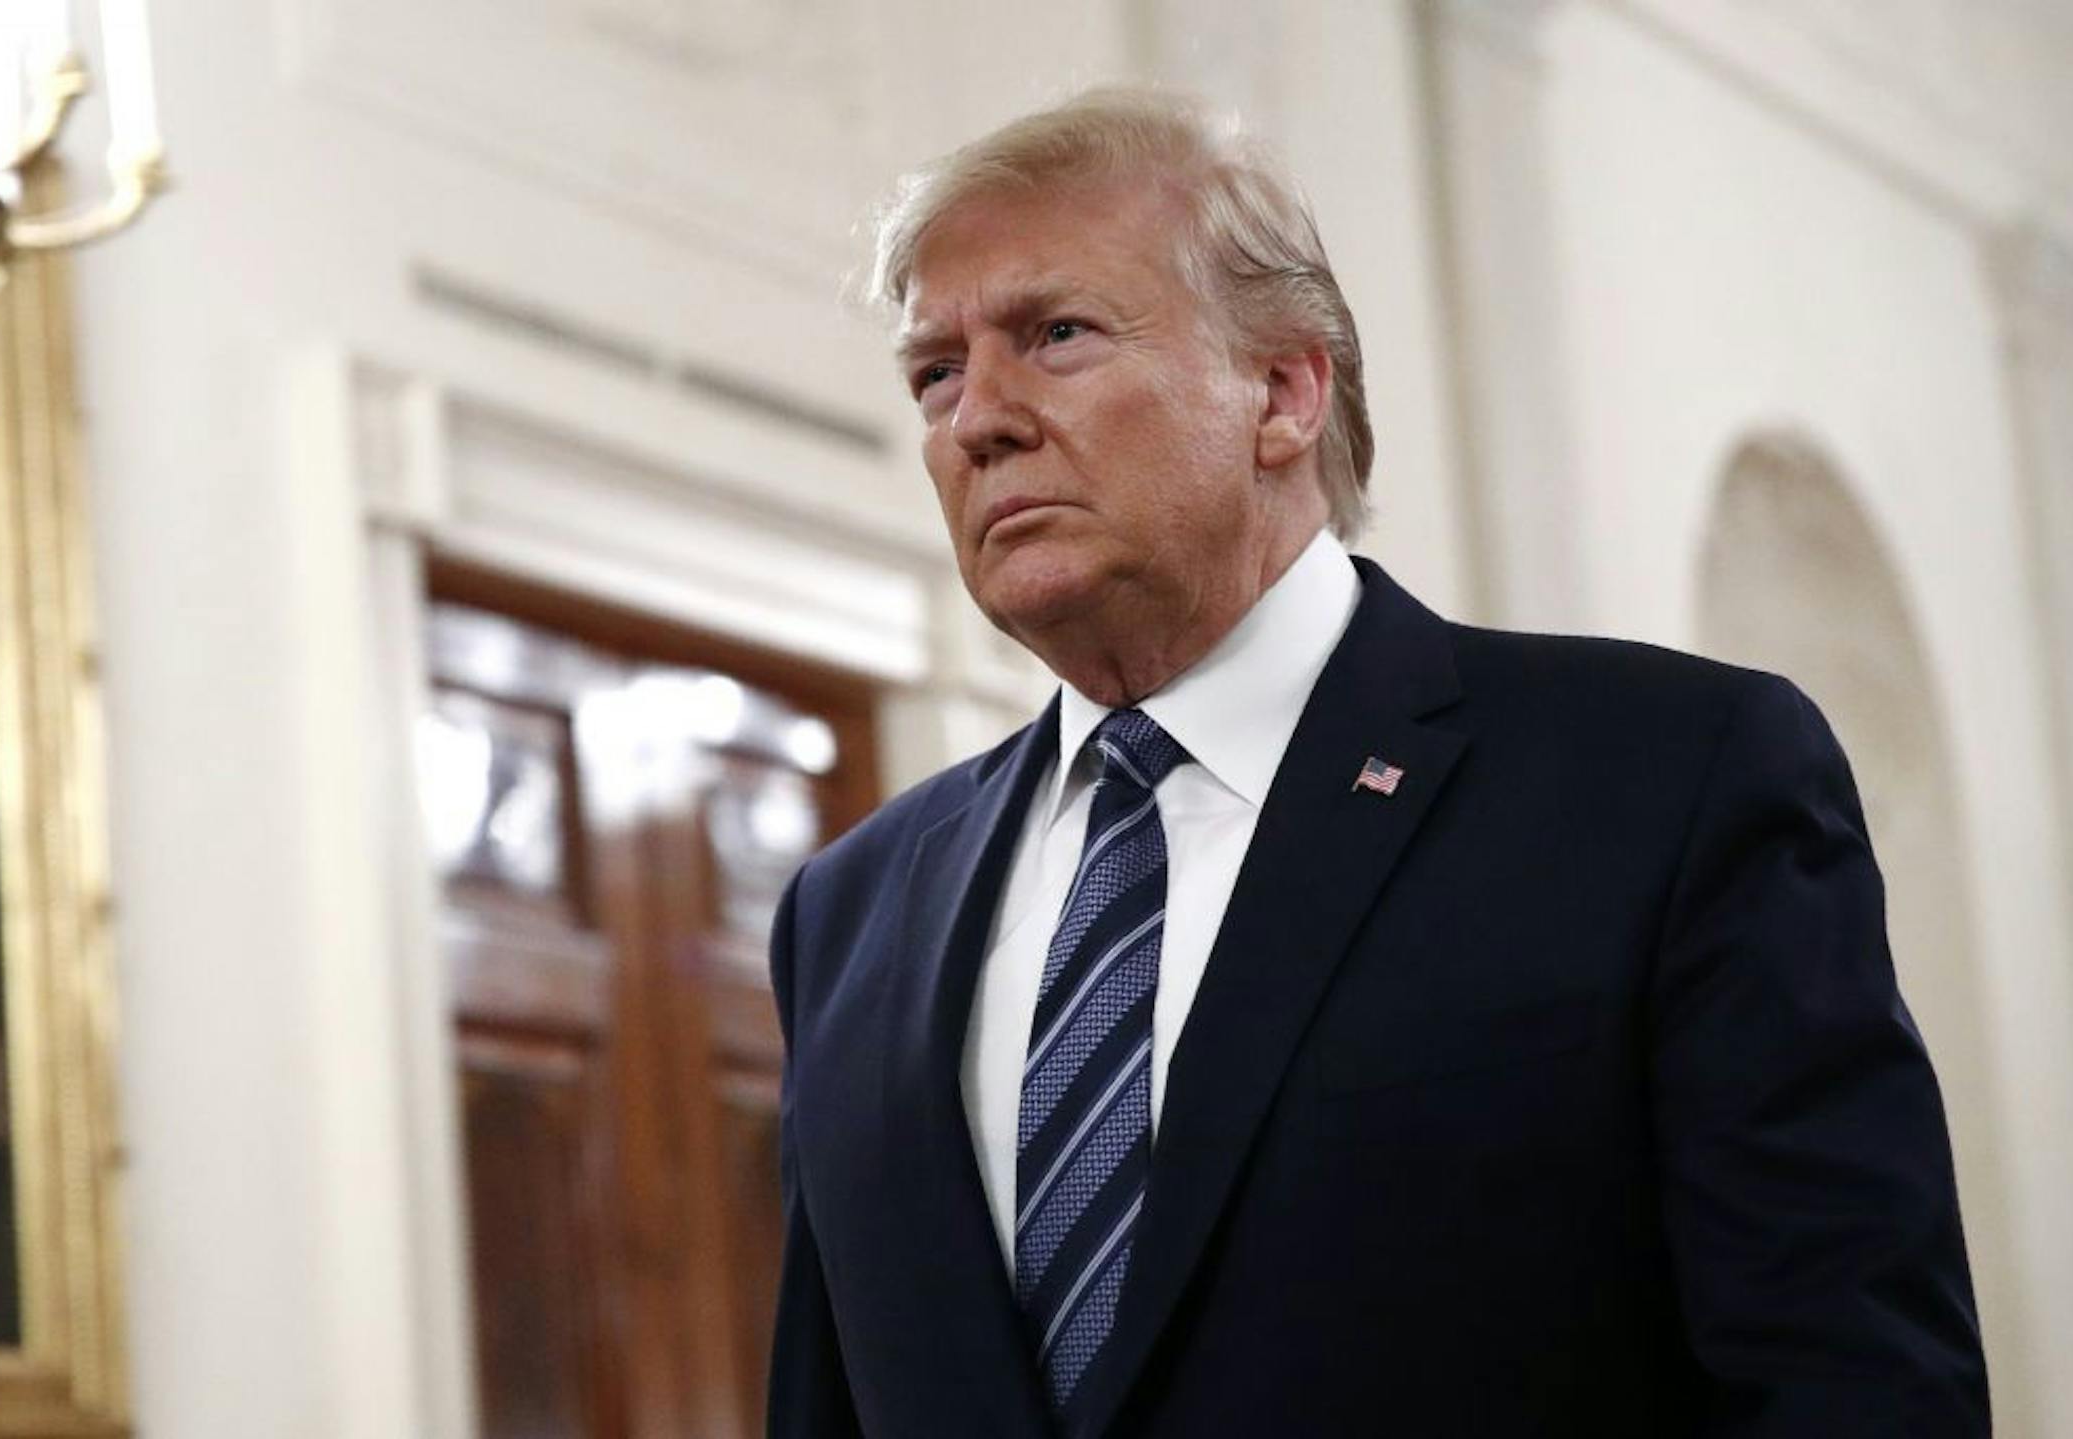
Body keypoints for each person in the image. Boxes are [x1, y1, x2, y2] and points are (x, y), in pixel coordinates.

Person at [765, 87, 1987, 1438]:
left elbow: (1852, 1384)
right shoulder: (852, 912)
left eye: (1055, 336)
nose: (975, 419)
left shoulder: (1664, 786)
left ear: (1284, 391)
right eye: (936, 372)